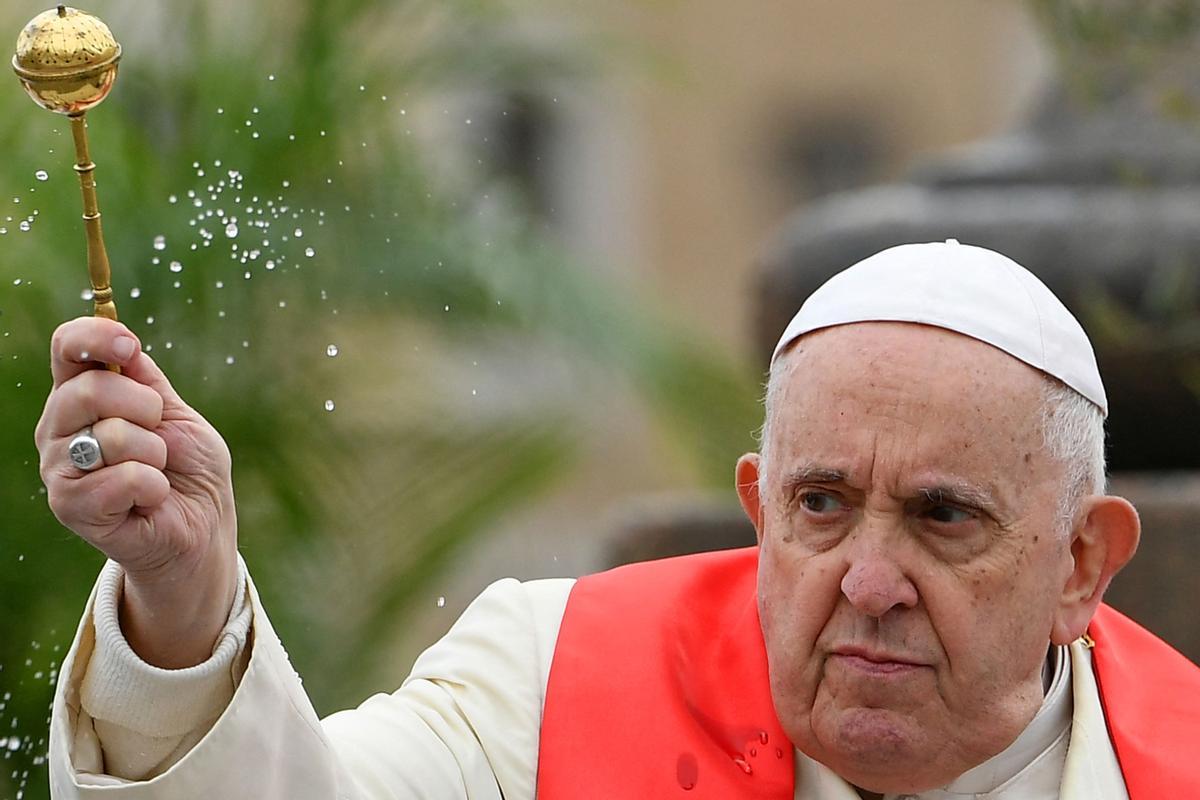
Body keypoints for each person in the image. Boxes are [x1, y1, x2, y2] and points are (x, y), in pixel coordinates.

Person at [37, 240, 1199, 799]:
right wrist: (183, 597)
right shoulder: (553, 676)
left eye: (942, 515)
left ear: (1080, 560)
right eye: (822, 506)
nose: (869, 578)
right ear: (759, 511)